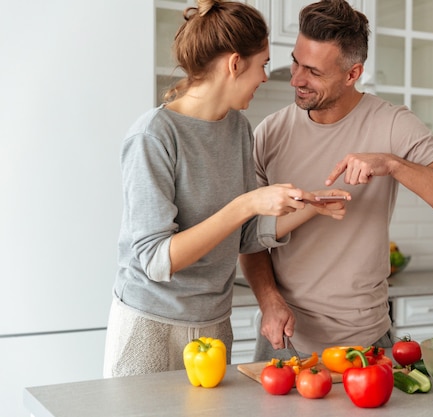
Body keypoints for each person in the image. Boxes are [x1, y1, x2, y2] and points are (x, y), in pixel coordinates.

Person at [103, 0, 349, 377]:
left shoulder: (237, 129)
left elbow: (246, 236)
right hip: (151, 324)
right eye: (263, 64)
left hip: (214, 325)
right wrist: (248, 203)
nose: (267, 77)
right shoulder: (153, 135)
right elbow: (156, 260)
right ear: (235, 64)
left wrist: (312, 206)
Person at [239, 0, 433, 360]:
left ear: (352, 73)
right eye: (295, 61)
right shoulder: (269, 133)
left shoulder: (392, 124)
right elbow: (250, 237)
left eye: (312, 71)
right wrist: (270, 300)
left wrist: (393, 163)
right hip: (284, 342)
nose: (296, 79)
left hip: (367, 342)